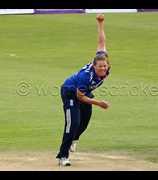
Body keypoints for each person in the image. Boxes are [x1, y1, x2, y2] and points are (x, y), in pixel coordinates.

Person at [56, 13, 110, 166]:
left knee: (85, 120)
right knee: (73, 122)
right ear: (94, 66)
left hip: (85, 93)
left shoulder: (105, 65)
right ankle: (63, 156)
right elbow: (80, 97)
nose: (103, 69)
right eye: (100, 67)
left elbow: (101, 42)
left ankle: (74, 138)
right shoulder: (86, 77)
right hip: (70, 91)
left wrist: (100, 23)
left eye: (105, 66)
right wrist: (99, 103)